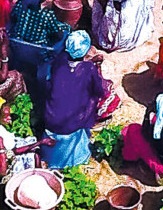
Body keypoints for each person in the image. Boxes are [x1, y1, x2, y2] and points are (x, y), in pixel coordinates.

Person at [39, 31, 113, 170]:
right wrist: (97, 66)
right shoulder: (88, 69)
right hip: (73, 122)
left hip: (51, 119)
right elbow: (100, 90)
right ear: (86, 51)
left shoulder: (59, 61)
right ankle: (90, 128)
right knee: (106, 92)